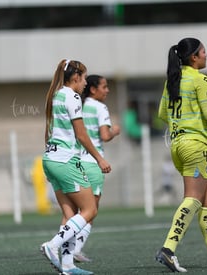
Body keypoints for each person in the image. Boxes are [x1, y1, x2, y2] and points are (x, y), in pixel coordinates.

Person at [155, 37, 207, 272]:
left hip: (177, 146)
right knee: (193, 198)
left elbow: (163, 113)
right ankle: (168, 249)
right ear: (194, 57)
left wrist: (188, 123)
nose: (206, 55)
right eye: (203, 52)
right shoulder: (200, 79)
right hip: (195, 146)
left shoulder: (172, 80)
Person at [40, 59, 111, 275]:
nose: (85, 84)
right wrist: (99, 158)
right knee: (90, 210)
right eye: (84, 78)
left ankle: (68, 265)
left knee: (70, 213)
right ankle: (52, 245)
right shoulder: (72, 96)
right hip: (65, 160)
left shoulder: (56, 94)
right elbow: (81, 135)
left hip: (50, 159)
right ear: (76, 77)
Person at [73, 74, 121, 262]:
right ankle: (74, 248)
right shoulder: (100, 107)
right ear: (93, 89)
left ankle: (67, 247)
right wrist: (114, 131)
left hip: (75, 161)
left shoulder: (79, 105)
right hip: (92, 162)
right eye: (104, 86)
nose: (107, 90)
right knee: (90, 209)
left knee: (75, 210)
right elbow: (105, 135)